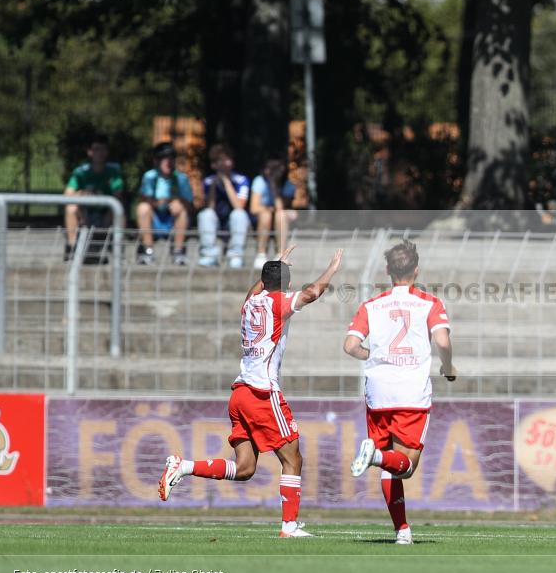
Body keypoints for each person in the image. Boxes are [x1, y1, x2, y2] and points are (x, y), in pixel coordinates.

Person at [158, 246, 343, 538]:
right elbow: (313, 293)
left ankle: (183, 467)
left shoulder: (250, 302)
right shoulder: (278, 303)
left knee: (245, 468)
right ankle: (289, 526)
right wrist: (332, 268)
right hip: (261, 392)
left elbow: (253, 290)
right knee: (293, 459)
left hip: (239, 393)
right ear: (284, 284)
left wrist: (275, 266)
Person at [344, 240, 456, 545]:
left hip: (378, 391)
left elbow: (350, 346)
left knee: (389, 463)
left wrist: (375, 357)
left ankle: (402, 531)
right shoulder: (429, 303)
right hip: (411, 392)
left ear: (387, 271)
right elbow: (443, 342)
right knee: (405, 467)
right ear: (416, 270)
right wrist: (448, 367)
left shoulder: (371, 305)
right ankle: (376, 456)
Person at [62, 134, 124, 261]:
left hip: (105, 212)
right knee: (71, 208)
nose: (100, 153)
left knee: (117, 209)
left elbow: (118, 194)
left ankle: (117, 248)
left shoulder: (113, 171)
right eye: (96, 149)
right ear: (90, 152)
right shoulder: (81, 172)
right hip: (85, 212)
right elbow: (68, 194)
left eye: (103, 149)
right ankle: (72, 246)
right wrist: (83, 193)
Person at [136, 142, 193, 265]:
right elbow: (144, 199)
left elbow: (190, 205)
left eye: (171, 158)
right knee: (143, 208)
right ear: (156, 161)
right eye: (164, 158)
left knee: (182, 211)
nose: (168, 161)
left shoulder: (181, 178)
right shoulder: (150, 177)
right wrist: (158, 203)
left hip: (172, 220)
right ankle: (148, 251)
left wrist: (180, 203)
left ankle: (178, 252)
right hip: (155, 218)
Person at [198, 144, 251, 268]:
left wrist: (227, 182)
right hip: (217, 221)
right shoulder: (208, 181)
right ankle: (209, 254)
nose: (225, 164)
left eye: (227, 159)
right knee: (205, 214)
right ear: (214, 165)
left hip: (235, 222)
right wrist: (214, 186)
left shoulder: (241, 180)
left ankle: (236, 255)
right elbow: (209, 206)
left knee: (239, 214)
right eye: (220, 161)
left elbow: (239, 206)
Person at [250, 158, 301, 270]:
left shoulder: (288, 185)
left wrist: (274, 186)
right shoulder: (259, 181)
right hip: (262, 219)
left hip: (279, 220)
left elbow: (280, 207)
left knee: (281, 214)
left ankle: (281, 254)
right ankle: (261, 254)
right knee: (265, 214)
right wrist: (268, 209)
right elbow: (254, 208)